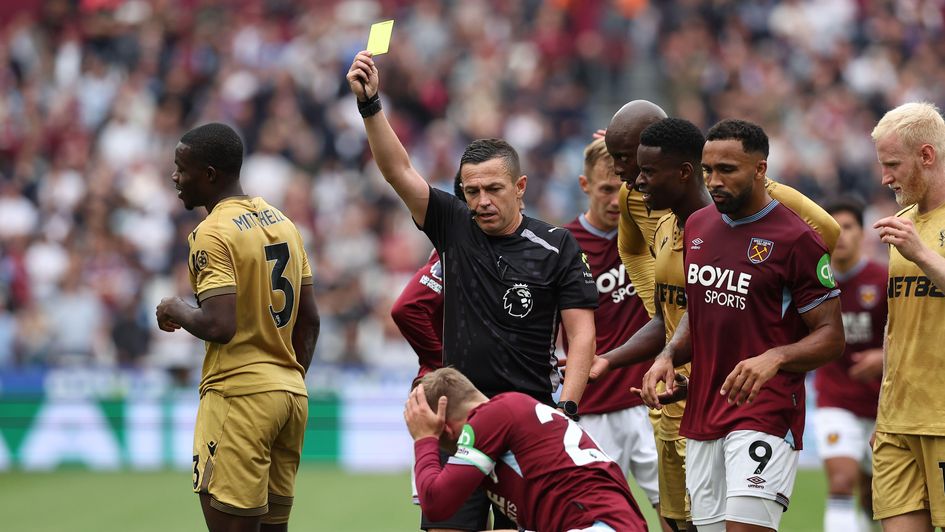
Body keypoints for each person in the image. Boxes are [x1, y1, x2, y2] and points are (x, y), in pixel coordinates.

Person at [347, 51, 598, 531]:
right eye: (471, 190)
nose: (481, 201)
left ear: (520, 186)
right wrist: (370, 104)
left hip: (527, 424)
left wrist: (566, 408)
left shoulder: (557, 246)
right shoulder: (453, 225)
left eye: (494, 189)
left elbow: (581, 336)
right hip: (456, 425)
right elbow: (398, 171)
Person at [593, 117, 842, 531]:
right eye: (709, 170)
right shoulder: (697, 227)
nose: (715, 181)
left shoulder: (796, 238)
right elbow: (700, 308)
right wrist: (668, 355)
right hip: (703, 411)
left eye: (728, 170)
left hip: (763, 411)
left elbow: (832, 336)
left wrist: (775, 358)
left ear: (761, 170)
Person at [155, 123, 320, 532]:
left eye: (182, 168)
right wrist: (287, 376)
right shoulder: (282, 222)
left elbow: (219, 324)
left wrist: (174, 306)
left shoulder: (211, 233)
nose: (175, 176)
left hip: (240, 397)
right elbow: (311, 319)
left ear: (209, 175)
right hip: (290, 395)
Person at [404, 367, 648, 532]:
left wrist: (424, 439)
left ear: (445, 427)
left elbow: (436, 504)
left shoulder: (489, 417)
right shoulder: (512, 412)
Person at [560, 137, 662, 515]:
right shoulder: (565, 247)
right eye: (605, 189)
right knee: (598, 515)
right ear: (585, 186)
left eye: (623, 188)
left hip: (652, 399)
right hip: (594, 407)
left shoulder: (652, 231)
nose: (616, 200)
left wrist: (636, 141)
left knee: (678, 509)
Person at [870, 101, 945, 532]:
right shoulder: (901, 223)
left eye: (893, 163)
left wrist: (921, 254)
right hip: (897, 421)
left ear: (927, 156)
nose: (885, 177)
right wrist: (884, 410)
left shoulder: (911, 239)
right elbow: (896, 326)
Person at [811, 197, 886, 532]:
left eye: (848, 227)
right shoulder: (812, 282)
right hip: (835, 399)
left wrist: (884, 357)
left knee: (876, 495)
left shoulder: (884, 279)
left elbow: (912, 334)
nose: (840, 235)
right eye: (832, 227)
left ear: (861, 233)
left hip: (884, 405)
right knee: (841, 482)